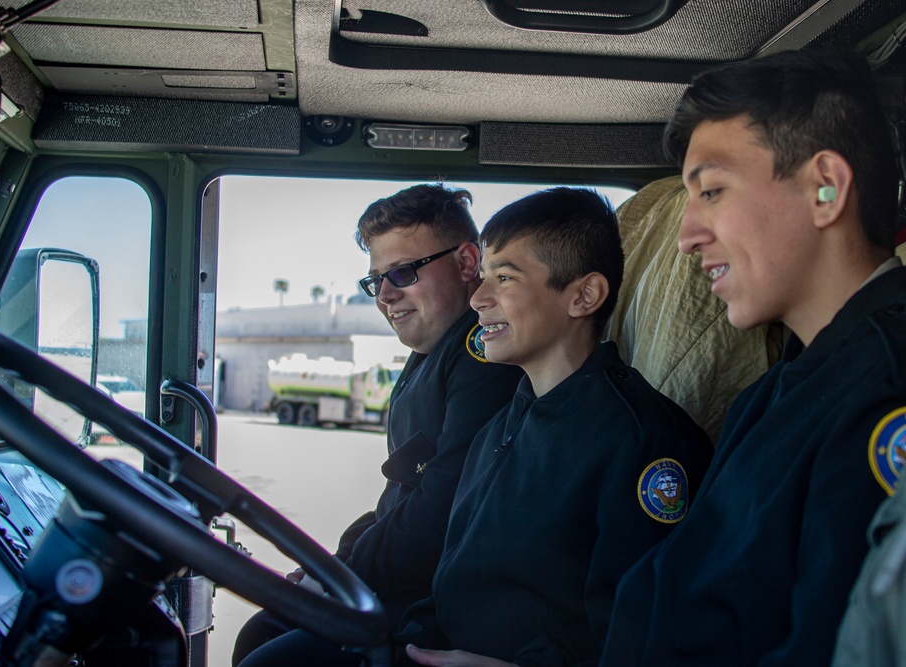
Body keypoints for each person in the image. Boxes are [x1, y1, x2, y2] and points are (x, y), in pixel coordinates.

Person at [593, 48, 906, 666]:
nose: (686, 235)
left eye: (712, 190)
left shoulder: (883, 392)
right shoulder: (782, 383)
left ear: (826, 189)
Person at [398, 187, 712, 666]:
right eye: (482, 277)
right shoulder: (497, 429)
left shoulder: (643, 442)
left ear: (584, 295)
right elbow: (455, 584)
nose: (478, 298)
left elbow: (638, 639)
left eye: (504, 278)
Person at [232, 184, 525, 666]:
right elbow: (398, 500)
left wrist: (342, 577)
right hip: (401, 586)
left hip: (432, 606)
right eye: (376, 282)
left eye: (403, 273)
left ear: (467, 262)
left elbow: (440, 511)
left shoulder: (481, 357)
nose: (386, 296)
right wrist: (333, 566)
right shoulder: (428, 355)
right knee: (263, 631)